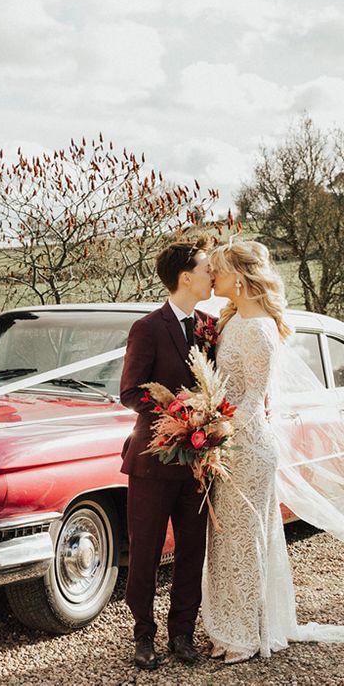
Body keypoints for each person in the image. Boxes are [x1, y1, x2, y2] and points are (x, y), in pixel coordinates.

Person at [204, 239, 344, 663]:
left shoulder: (261, 329)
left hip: (248, 450)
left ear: (240, 279)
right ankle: (225, 627)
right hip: (226, 448)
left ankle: (249, 635)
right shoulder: (229, 323)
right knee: (224, 544)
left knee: (247, 543)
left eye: (219, 270)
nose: (214, 276)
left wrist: (218, 432)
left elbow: (252, 400)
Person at [119, 236, 215, 669]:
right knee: (146, 551)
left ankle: (182, 634)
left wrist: (208, 422)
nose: (212, 274)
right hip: (153, 462)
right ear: (186, 277)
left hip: (197, 464)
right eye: (206, 268)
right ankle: (143, 635)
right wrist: (178, 415)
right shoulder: (147, 328)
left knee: (193, 549)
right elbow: (130, 393)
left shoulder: (209, 326)